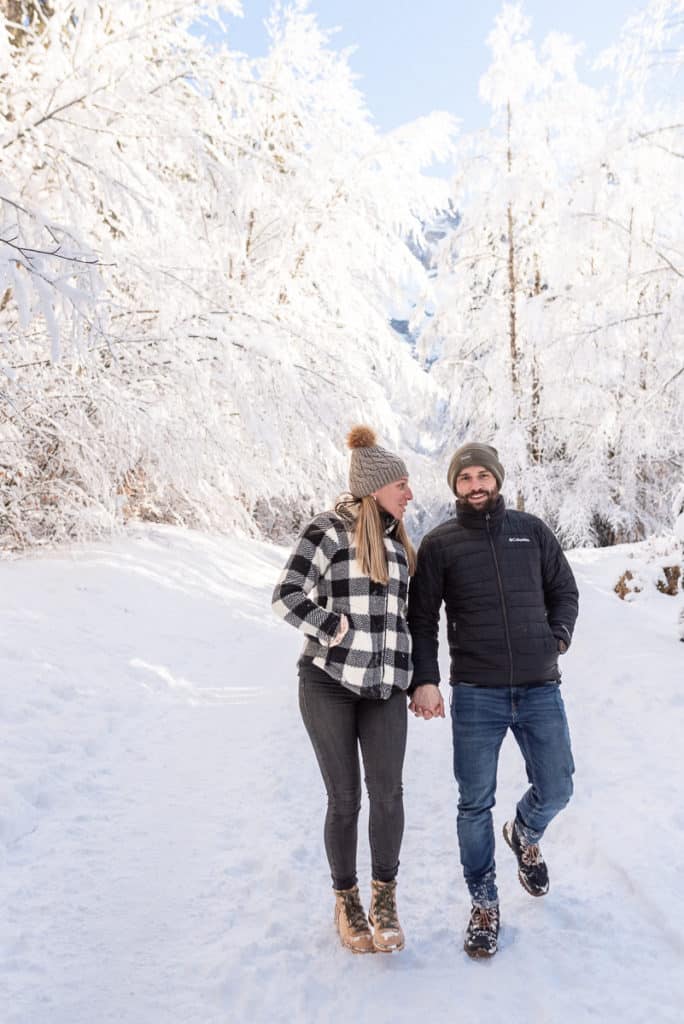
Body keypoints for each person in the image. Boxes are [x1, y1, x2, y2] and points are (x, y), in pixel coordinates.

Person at [407, 442, 578, 960]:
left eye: (483, 475)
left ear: (497, 479)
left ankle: (524, 832)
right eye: (465, 479)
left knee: (558, 785)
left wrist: (558, 638)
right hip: (477, 693)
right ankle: (484, 903)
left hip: (539, 686)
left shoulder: (533, 531)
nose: (475, 485)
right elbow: (421, 619)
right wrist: (427, 679)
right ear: (455, 486)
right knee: (473, 803)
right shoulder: (439, 544)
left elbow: (564, 590)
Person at [272, 425, 415, 954]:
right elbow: (286, 595)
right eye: (402, 483)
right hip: (329, 684)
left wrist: (417, 676)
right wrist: (333, 629)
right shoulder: (329, 530)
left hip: (385, 689)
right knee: (346, 799)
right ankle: (347, 898)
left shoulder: (400, 544)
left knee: (390, 795)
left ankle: (384, 897)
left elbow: (408, 618)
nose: (409, 492)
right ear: (376, 486)